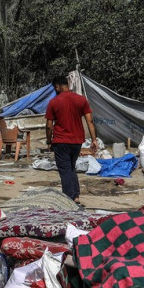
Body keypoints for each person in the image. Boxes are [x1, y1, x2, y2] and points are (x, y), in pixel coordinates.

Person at [45, 74, 97, 204]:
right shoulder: (81, 100)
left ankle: (69, 199)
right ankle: (76, 195)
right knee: (71, 167)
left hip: (61, 140)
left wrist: (49, 141)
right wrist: (94, 140)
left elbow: (49, 125)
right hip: (77, 141)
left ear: (57, 87)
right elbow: (90, 120)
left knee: (65, 170)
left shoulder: (53, 102)